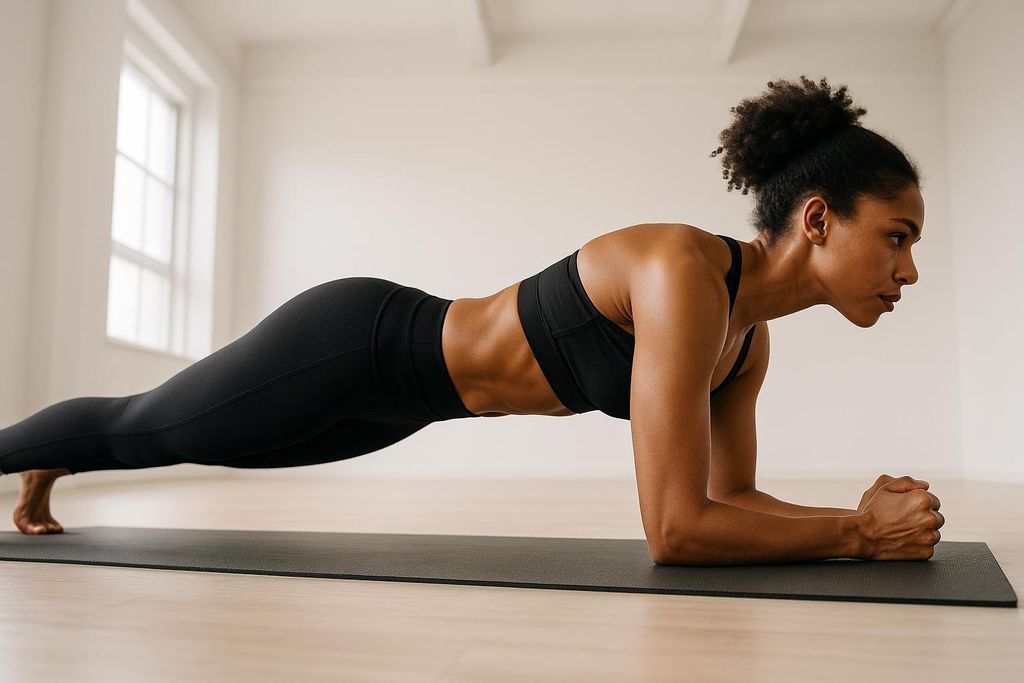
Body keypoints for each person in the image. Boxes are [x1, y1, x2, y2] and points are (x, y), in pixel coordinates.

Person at [1, 76, 943, 566]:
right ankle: (47, 442)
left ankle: (66, 451)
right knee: (147, 423)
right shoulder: (681, 274)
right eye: (896, 236)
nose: (907, 269)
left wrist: (861, 519)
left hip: (404, 407)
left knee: (176, 440)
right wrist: (856, 534)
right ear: (817, 219)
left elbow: (731, 502)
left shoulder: (745, 343)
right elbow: (676, 529)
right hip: (357, 344)